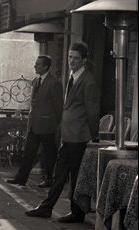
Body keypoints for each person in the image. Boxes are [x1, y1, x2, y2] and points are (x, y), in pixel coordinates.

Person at [25, 42, 100, 223]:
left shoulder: (88, 81)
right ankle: (47, 207)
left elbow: (92, 112)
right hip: (69, 135)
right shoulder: (72, 77)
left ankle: (76, 212)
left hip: (79, 137)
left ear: (83, 60)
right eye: (69, 57)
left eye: (75, 58)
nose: (71, 61)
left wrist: (93, 136)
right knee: (60, 174)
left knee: (73, 176)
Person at [6, 55, 63, 187]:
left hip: (47, 125)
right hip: (34, 124)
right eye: (35, 64)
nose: (35, 66)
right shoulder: (36, 81)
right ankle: (21, 178)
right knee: (28, 152)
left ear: (46, 67)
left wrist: (55, 123)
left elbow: (58, 107)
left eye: (38, 64)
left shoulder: (54, 83)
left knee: (49, 154)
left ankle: (49, 179)